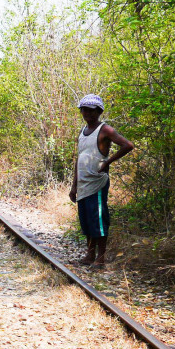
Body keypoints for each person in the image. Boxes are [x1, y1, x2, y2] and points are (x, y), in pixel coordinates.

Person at [69, 94, 134, 268]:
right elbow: (79, 159)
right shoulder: (82, 133)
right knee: (86, 221)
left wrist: (108, 162)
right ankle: (89, 256)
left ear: (99, 111)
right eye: (85, 110)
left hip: (97, 182)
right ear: (81, 111)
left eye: (92, 110)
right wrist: (74, 186)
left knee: (98, 220)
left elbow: (128, 145)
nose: (88, 113)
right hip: (83, 184)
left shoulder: (105, 130)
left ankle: (100, 258)